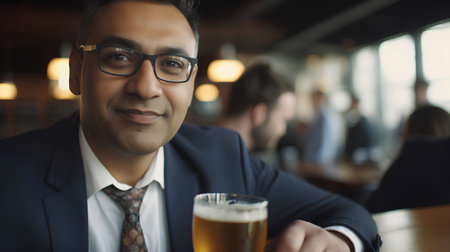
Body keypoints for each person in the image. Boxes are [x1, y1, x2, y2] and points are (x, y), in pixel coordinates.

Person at [0, 0, 381, 251]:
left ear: (192, 81)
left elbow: (348, 214)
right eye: (118, 57)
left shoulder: (222, 156)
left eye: (172, 65)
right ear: (77, 72)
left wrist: (336, 241)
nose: (146, 87)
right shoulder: (10, 175)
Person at [366, 105, 450, 213]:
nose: (401, 135)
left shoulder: (414, 154)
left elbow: (374, 207)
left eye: (405, 129)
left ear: (415, 132)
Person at [217, 63, 297, 169]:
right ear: (259, 114)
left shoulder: (219, 154)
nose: (283, 130)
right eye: (283, 119)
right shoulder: (229, 168)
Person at [303, 88, 341, 165]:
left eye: (313, 99)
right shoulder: (324, 114)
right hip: (320, 159)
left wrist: (318, 162)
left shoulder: (325, 116)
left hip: (320, 161)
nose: (312, 102)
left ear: (320, 98)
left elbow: (324, 141)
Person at [344, 95, 378, 165]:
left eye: (354, 104)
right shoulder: (351, 120)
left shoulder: (363, 121)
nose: (353, 107)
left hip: (363, 152)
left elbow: (366, 139)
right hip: (354, 152)